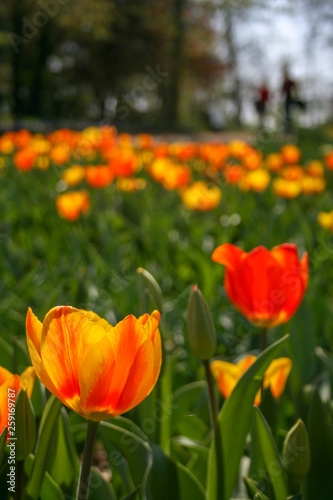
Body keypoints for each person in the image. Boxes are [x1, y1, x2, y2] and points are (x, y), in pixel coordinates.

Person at [281, 68, 306, 134]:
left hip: (291, 99)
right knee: (287, 115)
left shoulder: (290, 82)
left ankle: (302, 109)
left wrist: (296, 96)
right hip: (287, 100)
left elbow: (295, 89)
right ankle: (288, 129)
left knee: (290, 114)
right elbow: (282, 92)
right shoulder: (285, 83)